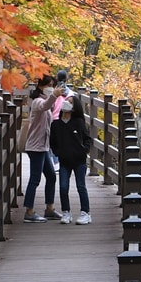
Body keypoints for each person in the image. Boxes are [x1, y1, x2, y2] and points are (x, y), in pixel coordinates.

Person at [22, 76, 62, 222]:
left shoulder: (45, 101)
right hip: (35, 147)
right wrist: (54, 95)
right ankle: (29, 211)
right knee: (35, 179)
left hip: (43, 147)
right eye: (49, 85)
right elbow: (45, 105)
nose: (51, 88)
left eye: (53, 86)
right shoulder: (38, 101)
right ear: (41, 86)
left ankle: (49, 209)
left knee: (51, 176)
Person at [50, 94, 93, 224]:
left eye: (70, 102)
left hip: (79, 161)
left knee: (81, 186)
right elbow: (53, 142)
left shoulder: (78, 123)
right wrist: (59, 152)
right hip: (64, 161)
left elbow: (88, 139)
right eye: (66, 101)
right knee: (63, 187)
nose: (66, 103)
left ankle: (85, 213)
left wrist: (83, 150)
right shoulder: (56, 125)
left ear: (74, 108)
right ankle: (66, 212)